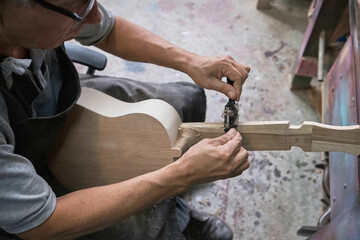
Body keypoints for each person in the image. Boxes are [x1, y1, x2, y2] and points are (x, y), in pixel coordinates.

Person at [0, 0, 251, 239]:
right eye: (75, 7)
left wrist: (190, 61)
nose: (94, 16)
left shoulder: (47, 13)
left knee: (185, 100)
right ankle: (170, 212)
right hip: (25, 182)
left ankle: (176, 207)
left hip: (65, 105)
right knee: (144, 229)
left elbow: (107, 30)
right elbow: (43, 223)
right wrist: (182, 175)